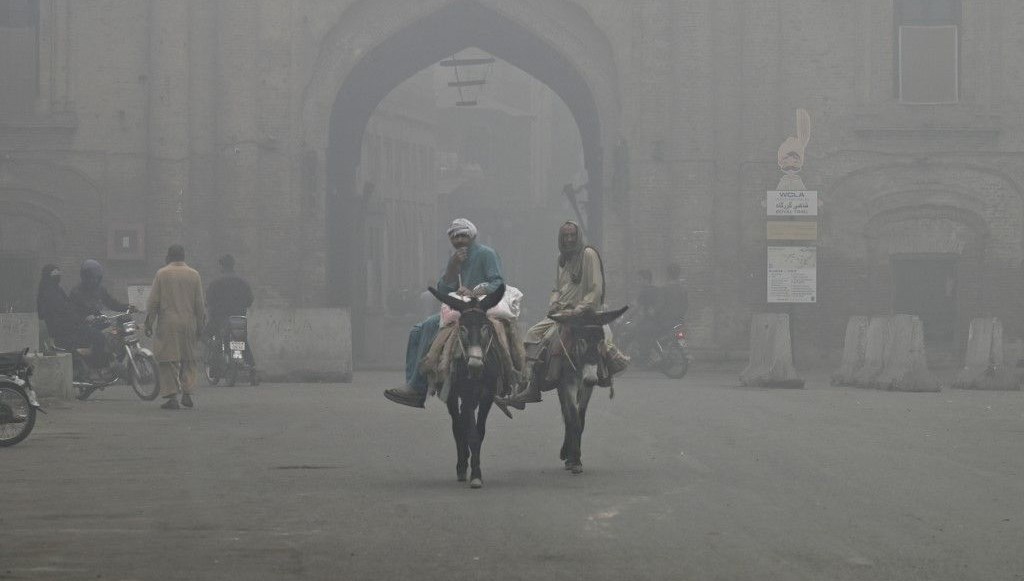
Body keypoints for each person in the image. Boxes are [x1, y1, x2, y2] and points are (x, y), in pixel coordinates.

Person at [502, 221, 627, 407]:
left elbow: (596, 288)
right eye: (565, 236)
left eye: (572, 236)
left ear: (578, 237)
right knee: (532, 334)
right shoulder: (561, 259)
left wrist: (581, 307)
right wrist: (553, 302)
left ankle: (605, 371)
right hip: (563, 312)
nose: (569, 240)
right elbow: (556, 288)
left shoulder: (588, 255)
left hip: (586, 312)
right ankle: (530, 387)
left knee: (600, 339)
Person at [384, 218, 504, 408]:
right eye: (455, 237)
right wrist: (452, 267)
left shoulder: (486, 254)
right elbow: (443, 289)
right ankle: (415, 386)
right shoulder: (455, 257)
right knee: (416, 331)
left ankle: (511, 380)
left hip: (481, 308)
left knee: (432, 325)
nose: (459, 240)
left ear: (471, 235)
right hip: (459, 308)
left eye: (463, 235)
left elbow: (497, 282)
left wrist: (474, 291)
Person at [145, 245, 206, 410]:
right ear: (184, 257)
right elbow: (199, 304)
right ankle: (187, 393)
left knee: (168, 360)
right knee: (188, 359)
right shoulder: (194, 275)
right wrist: (201, 325)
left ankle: (172, 396)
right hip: (188, 322)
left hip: (168, 323)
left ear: (168, 256)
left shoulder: (162, 274)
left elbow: (153, 302)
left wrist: (149, 322)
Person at [36, 264, 105, 370]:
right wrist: (83, 319)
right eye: (55, 274)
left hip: (67, 327)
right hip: (65, 330)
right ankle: (97, 368)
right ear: (49, 276)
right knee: (99, 337)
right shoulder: (50, 293)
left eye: (59, 274)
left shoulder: (55, 290)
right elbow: (65, 312)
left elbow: (70, 307)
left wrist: (88, 313)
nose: (58, 276)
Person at [68, 259, 133, 368]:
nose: (93, 280)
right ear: (85, 278)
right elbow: (72, 313)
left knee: (118, 332)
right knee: (99, 338)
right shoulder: (76, 292)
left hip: (97, 322)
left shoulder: (100, 289)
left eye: (96, 278)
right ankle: (97, 367)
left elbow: (111, 302)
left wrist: (127, 307)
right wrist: (85, 317)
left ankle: (113, 360)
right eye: (91, 278)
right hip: (81, 326)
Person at [206, 254, 255, 367]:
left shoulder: (215, 282)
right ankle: (251, 366)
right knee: (241, 341)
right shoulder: (243, 282)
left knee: (205, 335)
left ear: (222, 266)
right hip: (238, 320)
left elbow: (209, 300)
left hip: (219, 320)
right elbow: (250, 300)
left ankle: (215, 355)